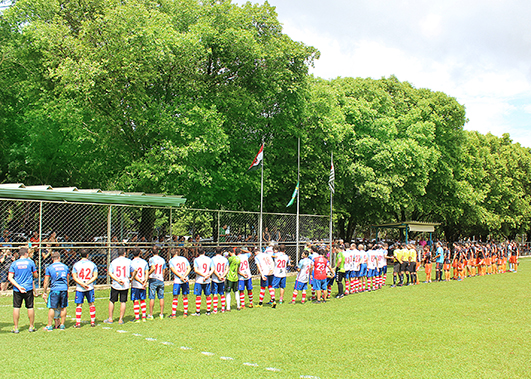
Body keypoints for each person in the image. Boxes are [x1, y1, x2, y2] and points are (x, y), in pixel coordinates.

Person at [8, 247, 38, 333]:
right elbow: (35, 275)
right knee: (30, 307)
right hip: (28, 288)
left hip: (17, 289)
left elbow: (10, 278)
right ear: (26, 254)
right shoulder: (31, 262)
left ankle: (16, 327)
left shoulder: (14, 264)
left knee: (16, 307)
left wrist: (18, 286)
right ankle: (31, 326)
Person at [42, 251, 70, 331]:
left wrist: (44, 291)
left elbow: (46, 281)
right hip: (63, 288)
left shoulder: (50, 268)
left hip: (55, 289)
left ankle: (50, 325)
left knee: (52, 307)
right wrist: (67, 289)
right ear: (59, 258)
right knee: (63, 307)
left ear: (52, 259)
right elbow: (67, 280)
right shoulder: (65, 267)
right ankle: (62, 325)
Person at [105, 248, 133, 324]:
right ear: (124, 253)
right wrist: (131, 278)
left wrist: (117, 280)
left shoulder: (114, 262)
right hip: (125, 284)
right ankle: (121, 319)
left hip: (116, 284)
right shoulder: (128, 261)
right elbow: (135, 270)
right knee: (123, 301)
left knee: (112, 300)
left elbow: (110, 273)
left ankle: (110, 318)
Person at [71, 249, 98, 327]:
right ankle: (92, 322)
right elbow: (95, 276)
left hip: (80, 287)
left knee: (79, 304)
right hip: (89, 287)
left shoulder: (76, 264)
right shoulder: (92, 264)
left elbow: (74, 277)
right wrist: (87, 283)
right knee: (91, 304)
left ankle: (78, 323)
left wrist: (82, 284)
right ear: (87, 255)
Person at [168, 248, 191, 318]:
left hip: (178, 280)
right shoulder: (184, 259)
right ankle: (185, 313)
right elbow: (189, 268)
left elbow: (173, 270)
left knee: (175, 297)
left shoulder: (171, 261)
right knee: (185, 296)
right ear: (177, 252)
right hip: (185, 279)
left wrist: (180, 277)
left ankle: (174, 314)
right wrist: (184, 276)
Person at [192, 247, 214, 316]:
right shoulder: (209, 259)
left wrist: (203, 275)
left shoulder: (196, 260)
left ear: (198, 253)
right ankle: (208, 311)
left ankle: (198, 312)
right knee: (208, 295)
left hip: (199, 280)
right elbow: (212, 269)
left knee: (198, 295)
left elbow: (195, 270)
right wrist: (208, 275)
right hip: (207, 280)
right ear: (204, 252)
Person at [147, 246, 166, 319]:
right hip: (160, 278)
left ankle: (151, 314)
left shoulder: (151, 259)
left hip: (153, 278)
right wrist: (162, 277)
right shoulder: (162, 259)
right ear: (158, 251)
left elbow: (153, 268)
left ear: (151, 252)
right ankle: (161, 314)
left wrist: (148, 274)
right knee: (161, 297)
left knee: (152, 297)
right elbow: (164, 270)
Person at [130, 249, 149, 322]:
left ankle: (137, 317)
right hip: (143, 284)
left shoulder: (131, 263)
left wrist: (140, 281)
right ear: (140, 253)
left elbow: (133, 275)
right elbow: (146, 272)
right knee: (142, 300)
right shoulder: (144, 262)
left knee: (135, 300)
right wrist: (145, 281)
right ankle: (144, 316)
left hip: (135, 284)